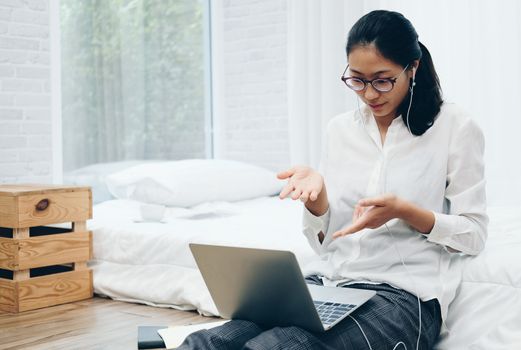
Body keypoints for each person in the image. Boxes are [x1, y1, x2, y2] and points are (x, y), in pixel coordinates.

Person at [178, 9, 487, 350]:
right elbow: (326, 244)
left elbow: (473, 234)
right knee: (208, 342)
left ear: (412, 68)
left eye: (383, 80)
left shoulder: (454, 126)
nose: (370, 94)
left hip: (402, 298)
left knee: (276, 347)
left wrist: (405, 211)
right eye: (357, 79)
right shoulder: (340, 130)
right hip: (326, 282)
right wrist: (318, 202)